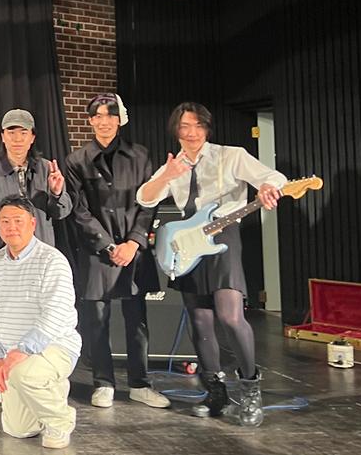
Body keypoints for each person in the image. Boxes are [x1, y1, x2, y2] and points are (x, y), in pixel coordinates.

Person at [138, 102, 285, 427]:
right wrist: (167, 177)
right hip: (188, 241)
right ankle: (215, 392)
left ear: (207, 127)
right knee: (200, 321)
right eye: (184, 126)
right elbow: (144, 197)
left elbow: (273, 176)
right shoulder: (173, 164)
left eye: (198, 125)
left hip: (223, 235)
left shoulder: (230, 155)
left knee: (230, 316)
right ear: (176, 130)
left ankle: (250, 389)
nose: (192, 133)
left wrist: (267, 187)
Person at [63, 94, 167, 409]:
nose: (104, 121)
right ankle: (103, 382)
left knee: (137, 319)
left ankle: (140, 383)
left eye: (110, 115)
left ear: (119, 119)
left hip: (133, 250)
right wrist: (108, 245)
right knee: (96, 319)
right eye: (98, 116)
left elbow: (149, 202)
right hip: (97, 251)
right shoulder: (76, 160)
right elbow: (79, 210)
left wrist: (133, 242)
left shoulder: (140, 155)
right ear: (90, 121)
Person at [0, 197, 81, 450]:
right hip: (13, 354)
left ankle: (61, 421)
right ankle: (48, 390)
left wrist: (24, 350)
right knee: (18, 429)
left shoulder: (52, 260)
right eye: (5, 221)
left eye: (18, 221)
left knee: (25, 374)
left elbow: (56, 311)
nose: (11, 227)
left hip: (54, 346)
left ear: (32, 223)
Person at [0, 109, 71, 250]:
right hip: (5, 251)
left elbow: (61, 213)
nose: (17, 139)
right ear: (3, 137)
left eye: (23, 133)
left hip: (42, 249)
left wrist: (56, 194)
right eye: (11, 133)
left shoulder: (47, 169)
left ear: (32, 137)